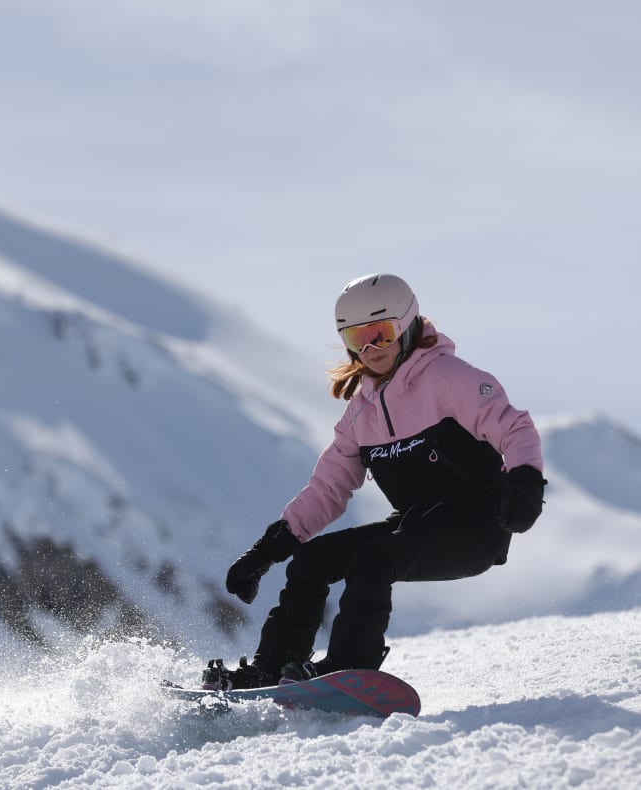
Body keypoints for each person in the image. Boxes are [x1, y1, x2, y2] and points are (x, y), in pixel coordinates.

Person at [203, 273, 546, 690]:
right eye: (355, 339)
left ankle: (351, 667)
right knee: (312, 561)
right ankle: (272, 668)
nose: (368, 349)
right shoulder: (360, 413)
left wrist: (524, 484)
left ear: (405, 325)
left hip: (477, 528)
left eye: (379, 335)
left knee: (373, 558)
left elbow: (515, 429)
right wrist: (266, 551)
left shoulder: (449, 378)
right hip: (417, 523)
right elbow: (328, 489)